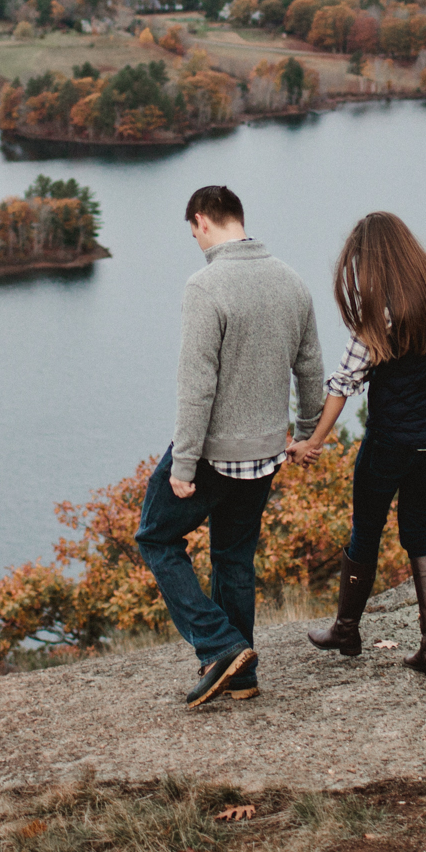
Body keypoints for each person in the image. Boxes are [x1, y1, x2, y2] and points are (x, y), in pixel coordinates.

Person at [134, 184, 326, 708]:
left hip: (213, 453)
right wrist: (306, 435)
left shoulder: (206, 285)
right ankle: (241, 676)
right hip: (265, 453)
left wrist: (184, 462)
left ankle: (220, 645)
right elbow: (310, 368)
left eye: (192, 231)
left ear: (201, 221)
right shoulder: (291, 281)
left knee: (154, 538)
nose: (194, 240)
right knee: (234, 558)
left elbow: (197, 385)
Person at [289, 211, 426, 677]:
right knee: (417, 530)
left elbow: (344, 383)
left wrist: (311, 443)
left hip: (393, 442)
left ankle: (347, 630)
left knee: (366, 529)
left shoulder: (380, 312)